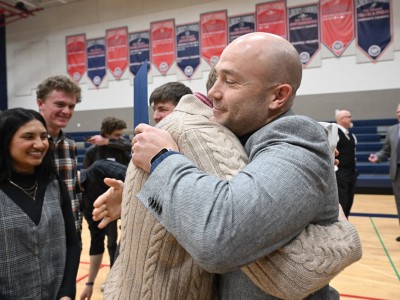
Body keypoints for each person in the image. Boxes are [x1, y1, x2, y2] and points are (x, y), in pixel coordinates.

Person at [93, 46, 361, 298]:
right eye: (216, 79)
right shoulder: (206, 132)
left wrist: (158, 168)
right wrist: (343, 234)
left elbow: (224, 235)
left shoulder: (285, 134)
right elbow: (231, 235)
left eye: (230, 82)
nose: (213, 93)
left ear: (279, 96)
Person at [0, 108, 80, 299]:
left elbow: (72, 242)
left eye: (43, 137)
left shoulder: (54, 184)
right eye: (28, 136)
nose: (39, 144)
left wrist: (67, 292)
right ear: (5, 141)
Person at [80, 116, 131, 299]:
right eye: (116, 134)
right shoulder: (93, 152)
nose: (121, 137)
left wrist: (109, 141)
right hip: (104, 205)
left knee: (119, 243)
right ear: (107, 131)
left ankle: (118, 276)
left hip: (122, 203)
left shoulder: (121, 146)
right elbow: (87, 176)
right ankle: (111, 276)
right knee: (107, 241)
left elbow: (129, 147)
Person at [36, 75, 83, 242]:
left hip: (71, 235)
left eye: (71, 106)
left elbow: (73, 192)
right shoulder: (24, 146)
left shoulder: (70, 145)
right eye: (60, 104)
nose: (67, 111)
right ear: (41, 104)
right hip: (40, 238)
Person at [369, 103, 400, 242]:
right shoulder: (393, 130)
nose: (399, 114)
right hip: (397, 172)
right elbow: (386, 150)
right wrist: (377, 157)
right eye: (398, 111)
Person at [335, 109, 358, 217]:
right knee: (342, 204)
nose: (351, 119)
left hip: (351, 174)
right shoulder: (335, 134)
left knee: (349, 203)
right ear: (341, 119)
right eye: (349, 116)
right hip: (340, 174)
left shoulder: (352, 136)